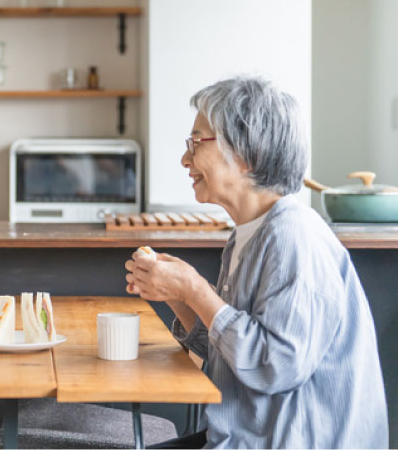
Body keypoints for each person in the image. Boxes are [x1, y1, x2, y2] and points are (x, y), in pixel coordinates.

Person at [125, 77, 388, 448]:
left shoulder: (292, 237)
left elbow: (273, 366)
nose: (185, 158)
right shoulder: (246, 236)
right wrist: (176, 294)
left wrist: (195, 288)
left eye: (196, 142)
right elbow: (230, 356)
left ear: (247, 154)